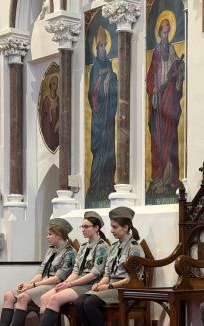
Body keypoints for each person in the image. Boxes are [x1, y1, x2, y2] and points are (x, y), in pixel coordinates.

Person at [13, 212, 110, 326]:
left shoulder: (102, 247)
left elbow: (94, 274)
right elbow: (75, 272)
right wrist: (66, 283)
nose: (83, 229)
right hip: (76, 283)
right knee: (45, 298)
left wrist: (70, 284)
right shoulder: (83, 247)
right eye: (82, 226)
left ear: (96, 228)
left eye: (86, 226)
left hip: (90, 285)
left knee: (54, 299)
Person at [0, 218, 75, 326]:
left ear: (59, 235)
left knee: (22, 297)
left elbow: (58, 278)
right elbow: (40, 272)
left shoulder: (70, 253)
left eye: (50, 234)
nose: (47, 237)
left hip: (54, 285)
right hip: (42, 283)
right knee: (8, 295)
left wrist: (34, 285)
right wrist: (29, 284)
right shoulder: (51, 250)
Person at [73, 206, 144, 326]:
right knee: (79, 301)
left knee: (89, 303)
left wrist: (110, 286)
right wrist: (99, 284)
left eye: (115, 227)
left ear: (126, 227)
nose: (111, 230)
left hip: (125, 289)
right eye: (112, 227)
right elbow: (107, 274)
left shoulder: (135, 248)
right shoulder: (113, 247)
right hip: (111, 286)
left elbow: (133, 278)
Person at [146, 16, 185, 196]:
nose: (165, 34)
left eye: (167, 31)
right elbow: (150, 77)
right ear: (159, 33)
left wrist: (178, 72)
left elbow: (178, 72)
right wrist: (154, 90)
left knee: (171, 138)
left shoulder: (173, 50)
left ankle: (169, 179)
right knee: (158, 139)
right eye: (163, 31)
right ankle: (158, 179)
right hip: (158, 99)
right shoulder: (156, 53)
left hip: (170, 98)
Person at [86, 26, 118, 206]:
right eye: (100, 46)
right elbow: (92, 94)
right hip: (99, 118)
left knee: (110, 152)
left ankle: (107, 184)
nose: (103, 49)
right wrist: (102, 81)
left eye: (105, 45)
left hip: (109, 118)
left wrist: (112, 80)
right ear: (96, 48)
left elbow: (114, 87)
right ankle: (96, 187)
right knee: (99, 153)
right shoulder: (95, 68)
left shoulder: (109, 66)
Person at [40, 74, 60, 152]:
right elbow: (43, 118)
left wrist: (57, 125)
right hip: (48, 129)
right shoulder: (46, 100)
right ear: (50, 85)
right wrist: (50, 110)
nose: (56, 86)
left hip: (56, 130)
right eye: (54, 84)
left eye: (57, 84)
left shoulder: (58, 99)